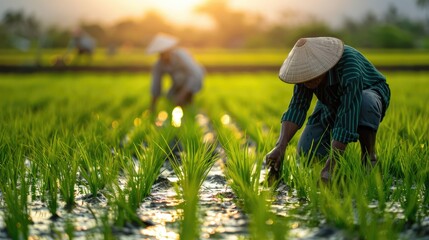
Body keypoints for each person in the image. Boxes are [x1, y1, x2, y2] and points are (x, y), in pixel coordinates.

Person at [265, 37, 390, 183]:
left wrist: (332, 165)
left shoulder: (349, 66)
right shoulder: (304, 76)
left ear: (323, 66)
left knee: (364, 103)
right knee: (307, 151)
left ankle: (369, 157)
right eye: (305, 77)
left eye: (312, 75)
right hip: (331, 99)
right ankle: (339, 174)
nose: (307, 81)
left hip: (366, 92)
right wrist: (280, 146)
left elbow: (348, 114)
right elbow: (297, 107)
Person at [146, 33, 205, 113]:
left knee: (181, 79)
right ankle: (182, 103)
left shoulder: (181, 55)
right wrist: (152, 107)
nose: (162, 56)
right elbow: (156, 85)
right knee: (170, 97)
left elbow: (195, 73)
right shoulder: (159, 64)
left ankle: (190, 101)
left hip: (193, 78)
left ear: (169, 50)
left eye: (165, 52)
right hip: (178, 82)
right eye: (161, 54)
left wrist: (183, 94)